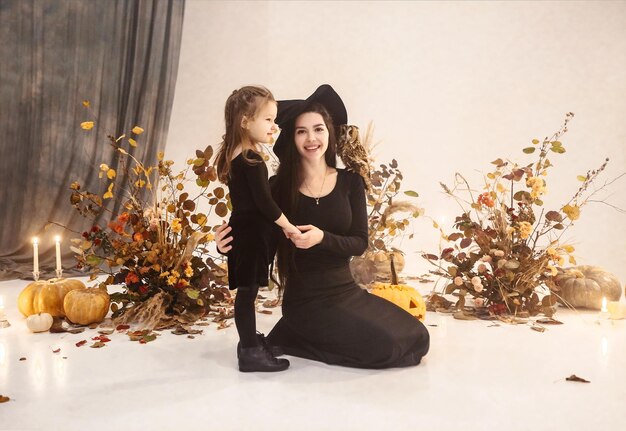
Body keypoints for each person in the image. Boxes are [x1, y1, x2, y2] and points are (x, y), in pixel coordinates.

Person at [216, 85, 429, 369]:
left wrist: (322, 238)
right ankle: (297, 332)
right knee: (388, 348)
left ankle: (291, 338)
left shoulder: (350, 182)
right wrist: (223, 245)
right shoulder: (277, 188)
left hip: (346, 292)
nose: (311, 138)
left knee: (417, 337)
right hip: (306, 301)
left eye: (318, 129)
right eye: (301, 131)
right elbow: (256, 235)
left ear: (329, 133)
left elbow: (359, 242)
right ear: (291, 138)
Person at [214, 85, 300, 372]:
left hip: (246, 232)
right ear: (245, 121)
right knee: (247, 294)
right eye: (268, 120)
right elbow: (265, 204)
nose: (274, 126)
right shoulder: (251, 160)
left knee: (247, 293)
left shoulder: (240, 154)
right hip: (251, 236)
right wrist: (288, 226)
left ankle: (249, 341)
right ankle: (249, 352)